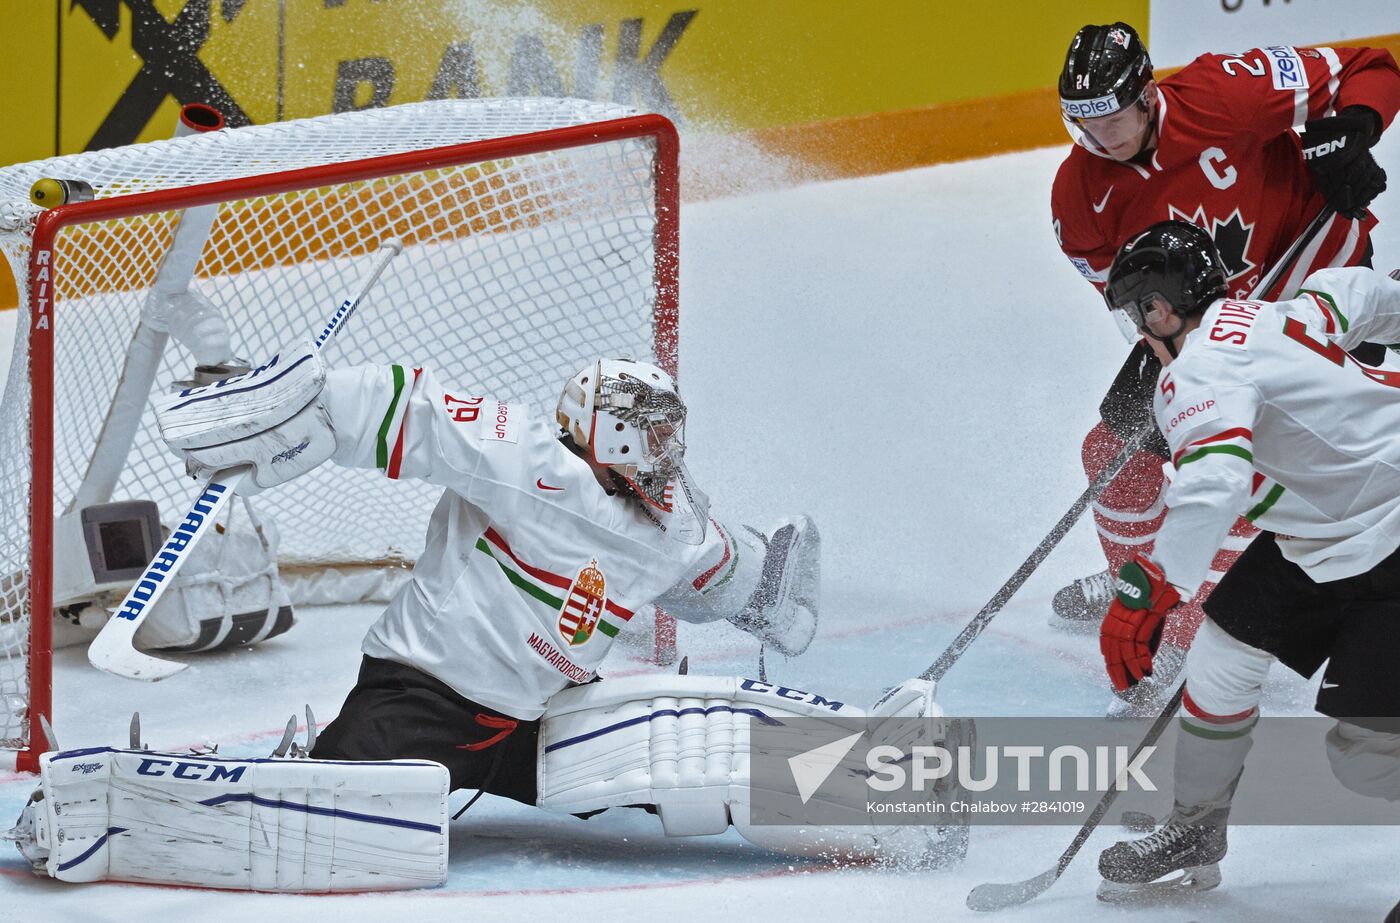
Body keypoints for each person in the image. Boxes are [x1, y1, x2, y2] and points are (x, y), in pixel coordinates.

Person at [10, 348, 962, 890]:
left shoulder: (671, 516)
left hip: (538, 718)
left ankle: (905, 784)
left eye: (673, 437)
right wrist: (292, 410)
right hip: (419, 697)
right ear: (603, 432)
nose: (667, 457)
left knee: (686, 761)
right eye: (650, 438)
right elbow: (401, 408)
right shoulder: (525, 456)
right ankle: (110, 808)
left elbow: (718, 567)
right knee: (343, 826)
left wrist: (772, 587)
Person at [1049, 22, 1399, 711]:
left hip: (1311, 305)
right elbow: (1124, 297)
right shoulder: (1074, 198)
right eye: (1084, 125)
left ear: (1147, 96)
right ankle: (1139, 587)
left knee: (1258, 473)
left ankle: (1186, 632)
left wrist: (1353, 128)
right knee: (1112, 456)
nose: (1103, 139)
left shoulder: (1222, 93)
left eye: (1114, 118)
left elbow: (1372, 66)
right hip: (1200, 331)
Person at [1091, 220, 1400, 898]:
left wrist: (1148, 591)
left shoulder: (1194, 372)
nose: (1140, 340)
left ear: (1160, 310)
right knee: (1225, 653)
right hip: (1326, 528)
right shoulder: (1265, 314)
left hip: (1386, 532)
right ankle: (1198, 827)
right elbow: (1358, 296)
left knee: (1369, 754)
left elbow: (1215, 481)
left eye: (1136, 319)